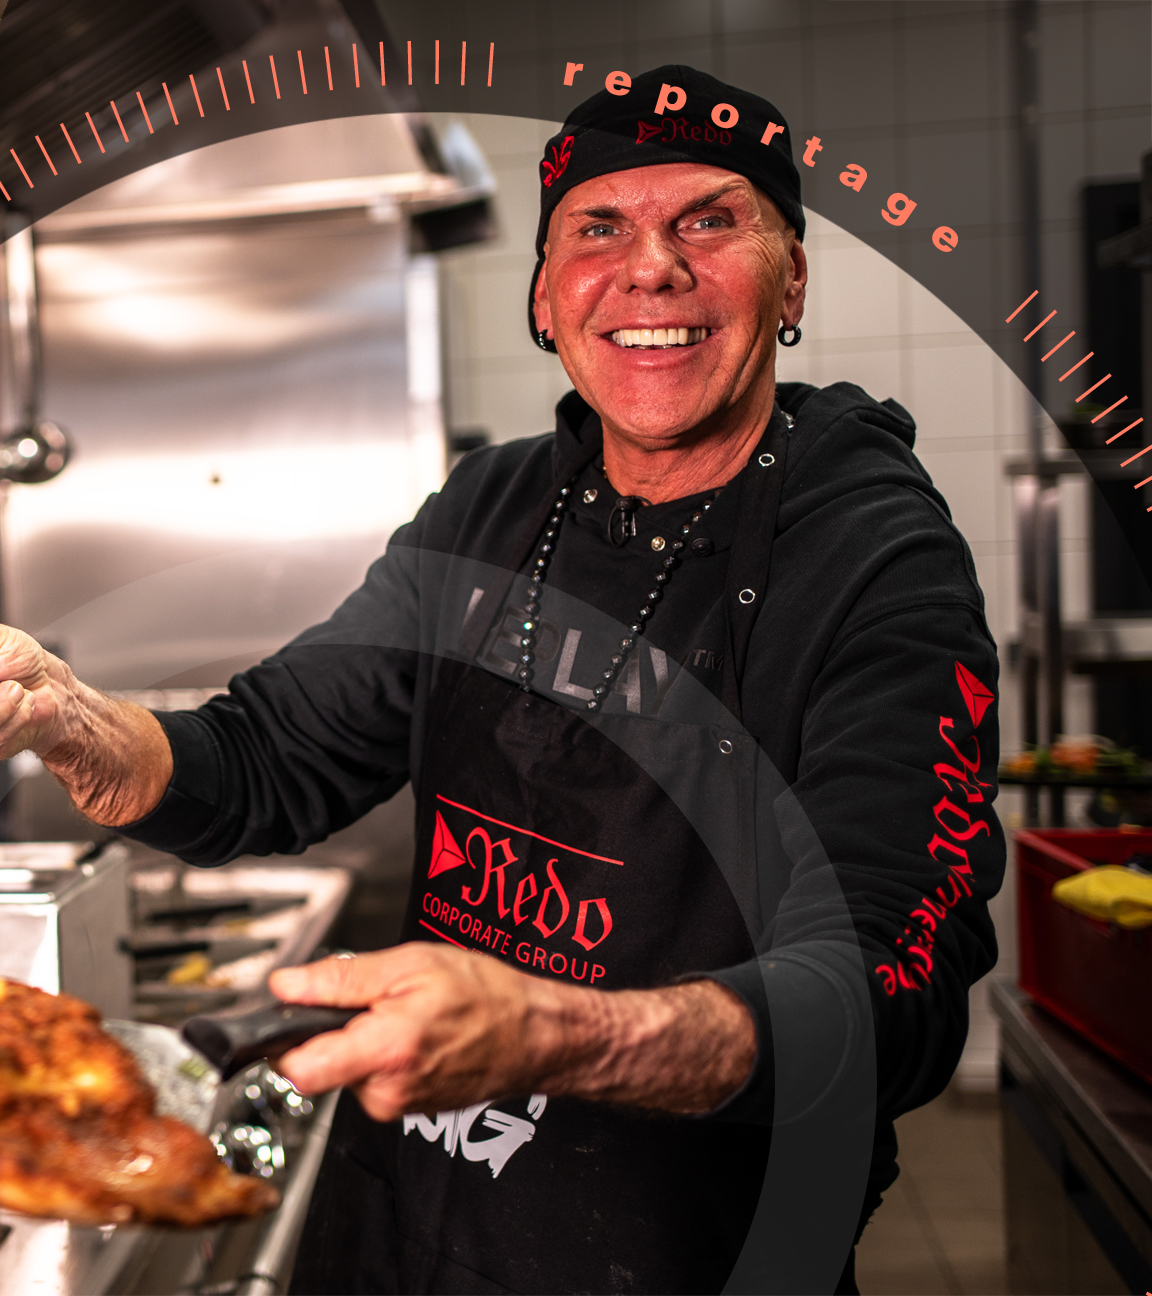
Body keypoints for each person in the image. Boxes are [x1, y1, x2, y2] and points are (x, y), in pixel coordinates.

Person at [0, 66, 1004, 1294]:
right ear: (545, 294)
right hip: (403, 1227)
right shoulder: (490, 510)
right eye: (599, 227)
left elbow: (886, 993)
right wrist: (74, 717)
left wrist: (546, 1032)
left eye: (709, 219)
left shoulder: (875, 556)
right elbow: (267, 758)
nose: (653, 269)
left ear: (790, 277)